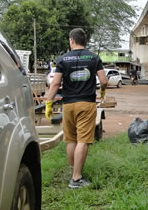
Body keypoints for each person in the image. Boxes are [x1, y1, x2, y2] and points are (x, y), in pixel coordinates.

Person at [45, 28, 108, 189]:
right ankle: (76, 178)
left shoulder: (62, 59)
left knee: (71, 139)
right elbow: (104, 80)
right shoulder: (94, 58)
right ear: (84, 41)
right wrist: (102, 91)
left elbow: (55, 84)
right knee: (83, 140)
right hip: (86, 103)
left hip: (68, 105)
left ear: (72, 40)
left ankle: (74, 171)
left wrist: (48, 103)